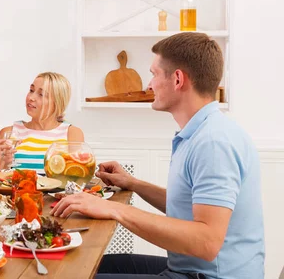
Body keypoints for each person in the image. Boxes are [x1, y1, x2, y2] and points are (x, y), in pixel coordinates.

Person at [51, 33, 264, 279]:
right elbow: (188, 206)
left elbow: (207, 242)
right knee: (93, 264)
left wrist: (113, 209)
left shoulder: (213, 143)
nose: (149, 85)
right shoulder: (201, 132)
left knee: (70, 275)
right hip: (190, 270)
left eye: (153, 74)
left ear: (177, 79)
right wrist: (132, 183)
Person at [0, 72, 84, 173]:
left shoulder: (72, 134)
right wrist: (5, 163)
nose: (31, 98)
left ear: (57, 102)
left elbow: (74, 177)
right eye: (31, 90)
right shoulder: (8, 133)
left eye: (41, 94)